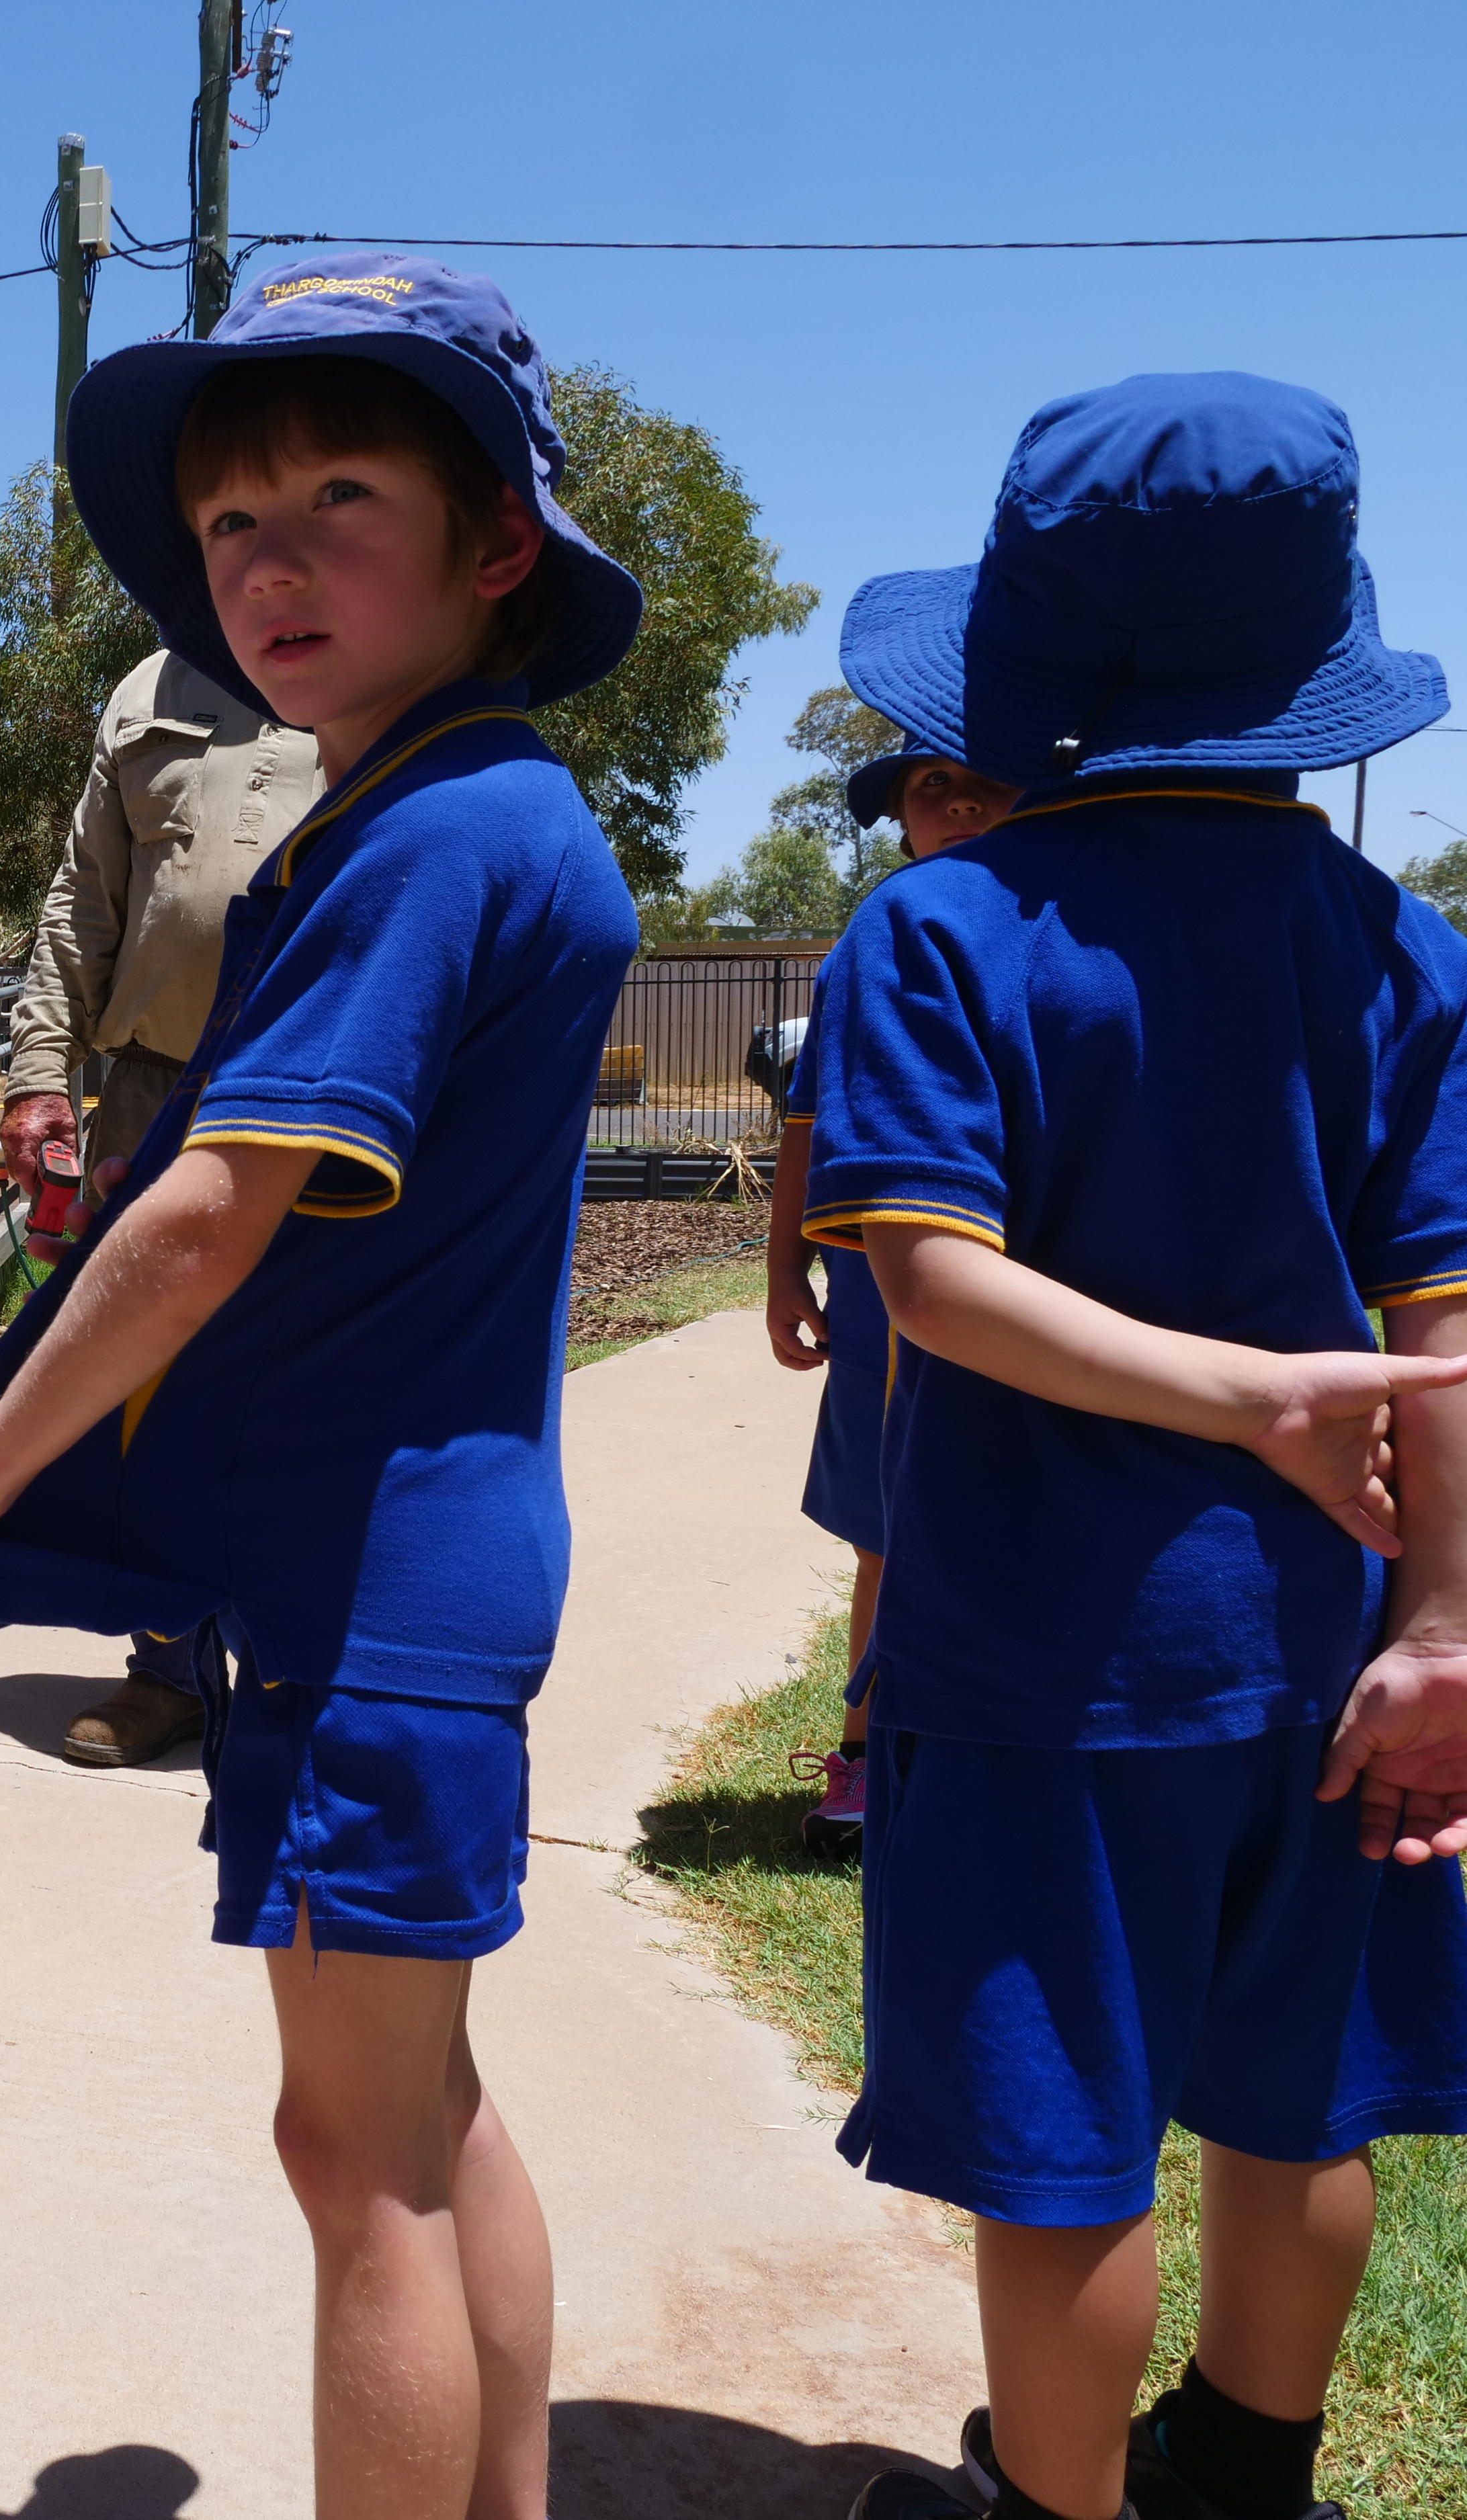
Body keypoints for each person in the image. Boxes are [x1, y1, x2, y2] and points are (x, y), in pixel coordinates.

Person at [0, 253, 648, 2520]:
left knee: (356, 2164)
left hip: (374, 1590)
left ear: (495, 543)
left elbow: (202, 1207)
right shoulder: (470, 808)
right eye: (231, 527)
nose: (272, 562)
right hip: (412, 1566)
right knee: (418, 2110)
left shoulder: (427, 839)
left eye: (339, 498)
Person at [803, 374, 1467, 2520]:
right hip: (1331, 1640)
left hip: (1040, 1649)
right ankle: (1247, 2485)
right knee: (1305, 2092)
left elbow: (932, 1278)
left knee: (1065, 2133)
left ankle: (1053, 2507)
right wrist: (1448, 1622)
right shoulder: (1403, 949)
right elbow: (1446, 1323)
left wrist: (1235, 1394)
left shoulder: (942, 927)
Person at [0, 648, 319, 1768]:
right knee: (151, 1392)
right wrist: (41, 1066)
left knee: (303, 1385)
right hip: (153, 1090)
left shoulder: (371, 640)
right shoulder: (145, 689)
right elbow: (84, 893)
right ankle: (167, 1669)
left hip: (319, 1092)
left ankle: (299, 1664)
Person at [763, 749, 1019, 1854]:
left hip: (1026, 1287)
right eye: (929, 790)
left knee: (1013, 1520)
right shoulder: (875, 943)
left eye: (987, 783)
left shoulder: (1061, 926)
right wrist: (784, 1270)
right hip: (880, 1300)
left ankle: (988, 1750)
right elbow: (808, 1131)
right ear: (900, 825)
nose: (958, 804)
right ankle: (865, 1755)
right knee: (885, 1534)